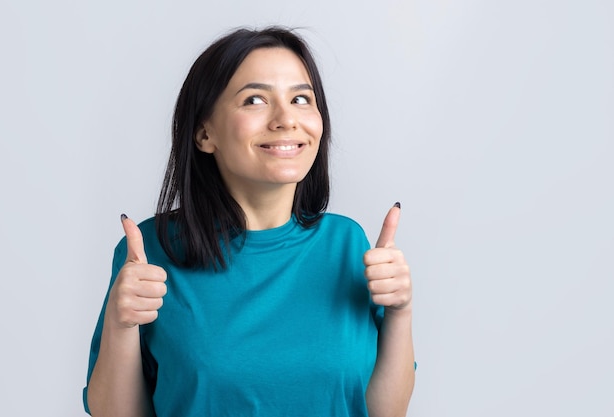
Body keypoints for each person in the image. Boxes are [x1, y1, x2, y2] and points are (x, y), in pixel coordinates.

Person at [84, 26, 415, 417]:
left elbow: (383, 412)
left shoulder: (348, 244)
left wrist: (400, 312)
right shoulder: (151, 251)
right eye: (255, 99)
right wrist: (121, 327)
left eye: (301, 99)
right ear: (204, 133)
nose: (286, 119)